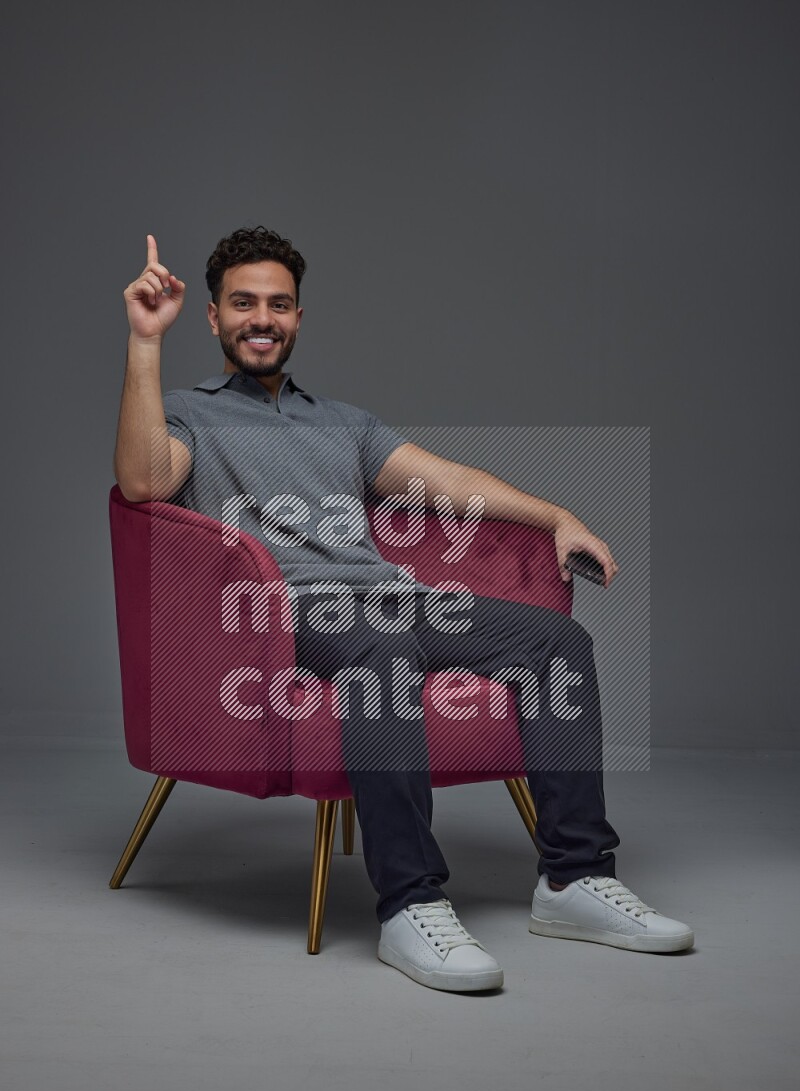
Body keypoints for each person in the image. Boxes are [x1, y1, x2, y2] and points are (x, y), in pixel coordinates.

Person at [114, 226, 694, 993]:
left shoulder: (343, 421)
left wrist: (556, 515)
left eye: (280, 304)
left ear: (297, 317)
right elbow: (146, 482)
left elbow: (450, 481)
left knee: (556, 641)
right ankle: (410, 902)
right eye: (244, 303)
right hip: (283, 611)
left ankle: (574, 879)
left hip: (393, 599)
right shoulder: (189, 413)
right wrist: (144, 343)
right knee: (380, 654)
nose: (264, 318)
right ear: (214, 318)